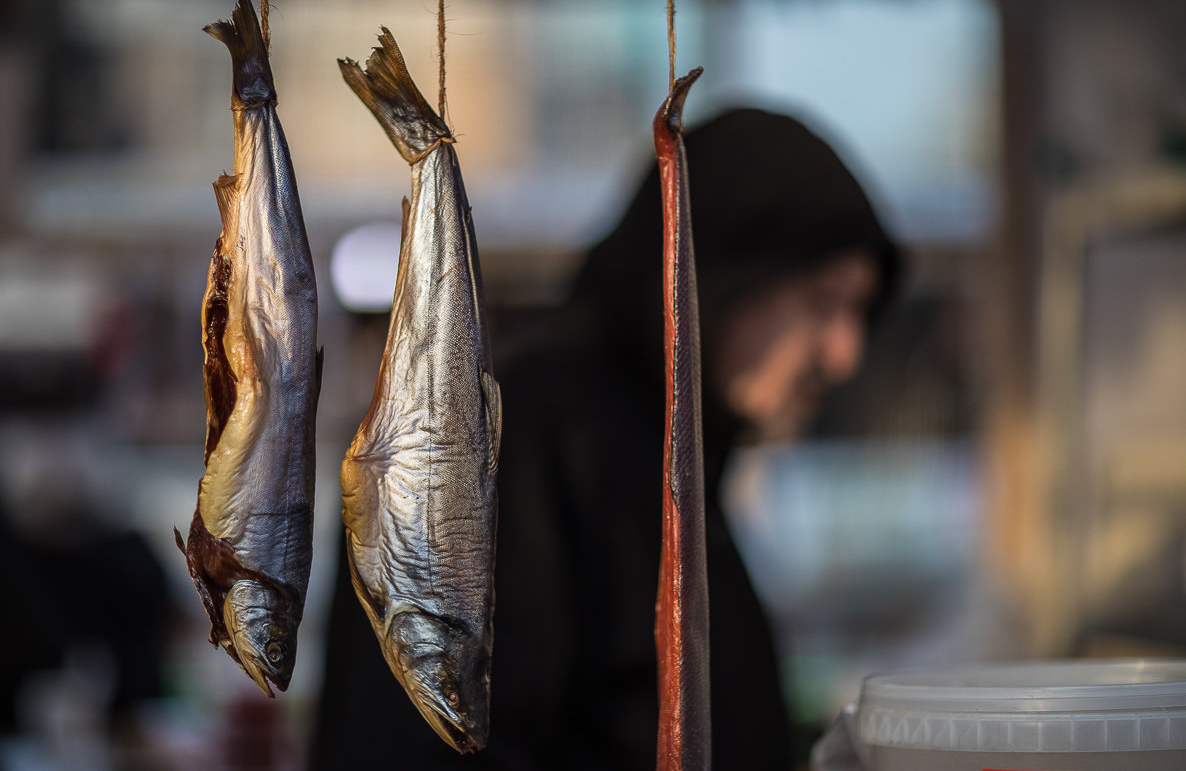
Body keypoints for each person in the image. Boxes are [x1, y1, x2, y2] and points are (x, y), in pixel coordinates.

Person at [311, 107, 900, 769]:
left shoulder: (665, 453)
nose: (846, 354)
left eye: (858, 311)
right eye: (822, 301)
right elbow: (423, 741)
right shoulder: (537, 433)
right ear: (719, 270)